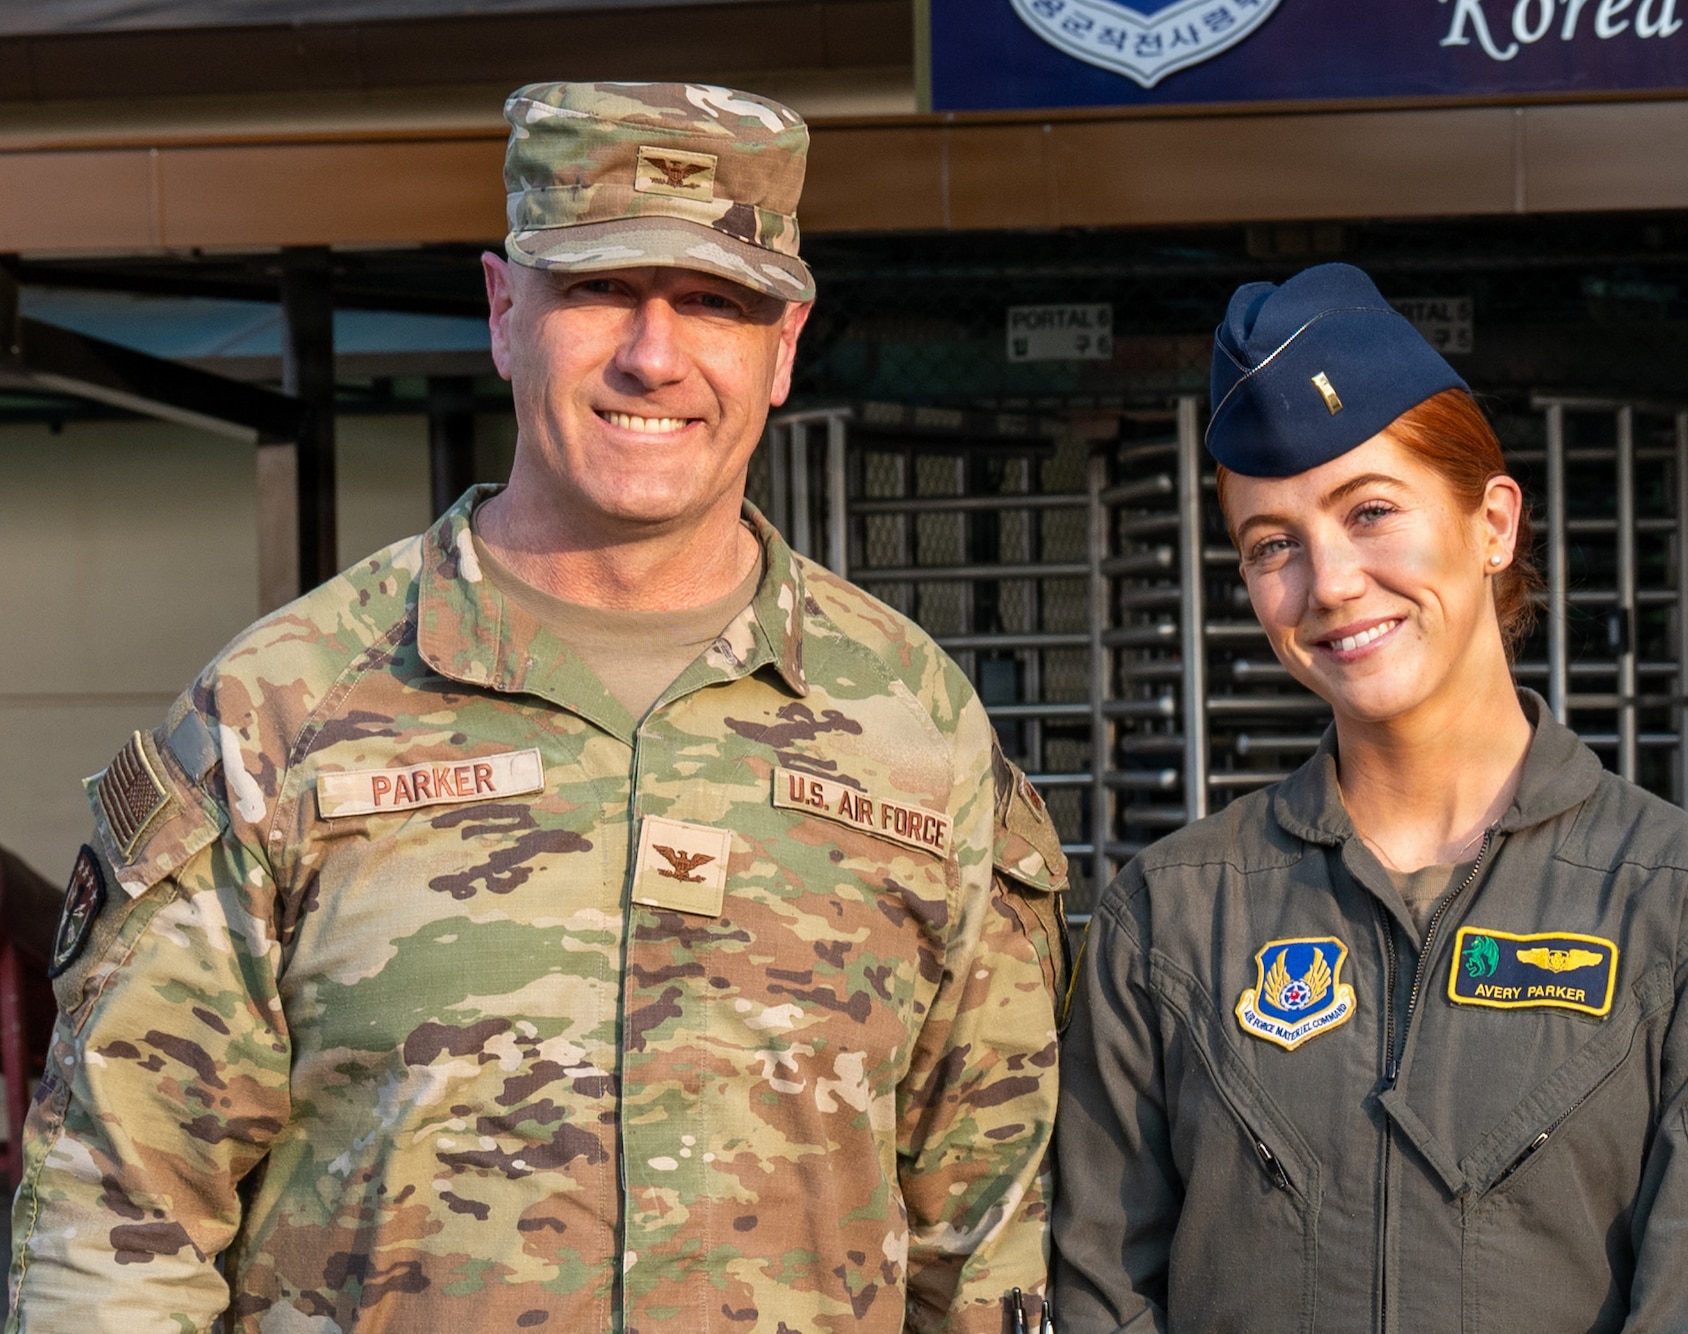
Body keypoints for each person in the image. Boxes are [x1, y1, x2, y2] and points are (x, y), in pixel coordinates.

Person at [9, 81, 1067, 1333]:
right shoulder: (279, 710)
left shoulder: (915, 730)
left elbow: (982, 1240)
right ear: (506, 312)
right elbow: (118, 1225)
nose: (653, 354)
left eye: (715, 302)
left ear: (783, 348)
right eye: (600, 288)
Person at [1051, 263, 1688, 1333]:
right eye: (1271, 544)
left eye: (1368, 510)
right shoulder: (1169, 918)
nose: (1327, 582)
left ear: (1491, 523)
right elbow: (1100, 1290)